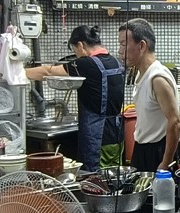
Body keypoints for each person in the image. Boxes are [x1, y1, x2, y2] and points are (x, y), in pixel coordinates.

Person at [26, 25, 124, 171]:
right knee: (113, 176)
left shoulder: (86, 63)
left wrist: (18, 73)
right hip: (116, 133)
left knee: (94, 181)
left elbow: (49, 71)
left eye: (75, 50)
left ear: (80, 45)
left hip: (96, 136)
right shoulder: (115, 62)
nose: (76, 54)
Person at [118, 18, 180, 172]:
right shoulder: (142, 73)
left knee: (157, 196)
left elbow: (175, 122)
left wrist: (166, 162)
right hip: (142, 149)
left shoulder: (157, 78)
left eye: (124, 45)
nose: (120, 51)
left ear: (142, 45)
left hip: (157, 152)